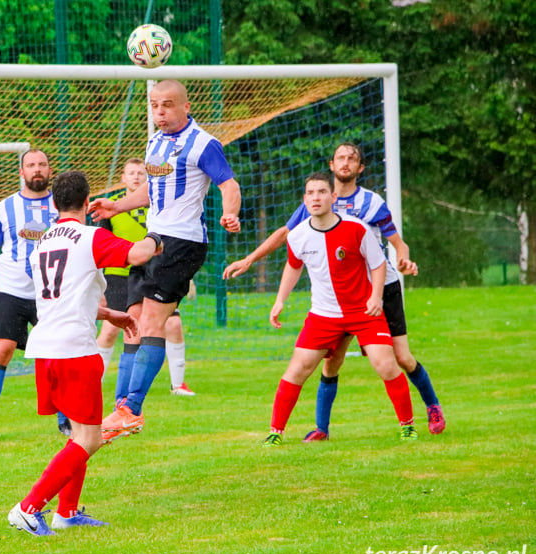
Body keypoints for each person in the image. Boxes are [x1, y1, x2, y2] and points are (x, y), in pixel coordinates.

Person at [223, 142, 445, 439]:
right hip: (336, 297)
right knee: (331, 361)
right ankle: (320, 429)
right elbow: (286, 238)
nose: (346, 162)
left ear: (360, 168)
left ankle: (431, 406)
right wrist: (251, 258)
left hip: (380, 288)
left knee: (401, 359)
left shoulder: (371, 203)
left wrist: (403, 260)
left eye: (352, 158)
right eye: (340, 157)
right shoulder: (316, 201)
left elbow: (397, 242)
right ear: (331, 165)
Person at [7, 170, 161, 536]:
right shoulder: (91, 237)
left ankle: (67, 512)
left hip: (47, 348)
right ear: (87, 200)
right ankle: (28, 508)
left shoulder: (43, 243)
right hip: (74, 349)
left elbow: (66, 296)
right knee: (90, 439)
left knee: (79, 433)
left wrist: (110, 314)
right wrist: (160, 231)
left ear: (55, 203)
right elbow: (139, 253)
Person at [89, 80, 241, 441]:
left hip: (182, 242)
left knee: (154, 322)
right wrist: (117, 204)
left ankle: (132, 410)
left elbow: (228, 185)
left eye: (167, 105)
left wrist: (230, 213)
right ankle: (119, 408)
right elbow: (152, 189)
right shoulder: (155, 142)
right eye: (155, 105)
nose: (160, 112)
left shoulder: (204, 144)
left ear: (186, 106)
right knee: (134, 321)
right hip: (152, 240)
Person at [255, 172, 417, 446]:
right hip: (323, 316)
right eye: (310, 193)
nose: (315, 197)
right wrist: (279, 301)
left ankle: (408, 426)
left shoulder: (356, 228)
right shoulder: (298, 235)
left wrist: (376, 297)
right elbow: (293, 267)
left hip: (363, 313)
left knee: (385, 364)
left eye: (321, 192)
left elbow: (378, 264)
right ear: (304, 199)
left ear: (333, 197)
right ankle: (275, 432)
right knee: (298, 369)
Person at [0, 149, 68, 444]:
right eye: (31, 165)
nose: (37, 170)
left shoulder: (63, 206)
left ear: (50, 170)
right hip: (10, 289)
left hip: (50, 292)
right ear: (21, 172)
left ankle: (66, 421)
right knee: (0, 349)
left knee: (57, 352)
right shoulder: (5, 208)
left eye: (42, 165)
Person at [96, 158, 194, 417]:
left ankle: (176, 384)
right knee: (111, 331)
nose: (137, 177)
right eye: (132, 173)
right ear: (123, 177)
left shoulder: (159, 205)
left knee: (171, 325)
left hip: (155, 270)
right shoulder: (111, 209)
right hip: (118, 275)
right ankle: (104, 388)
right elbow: (97, 246)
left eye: (142, 173)